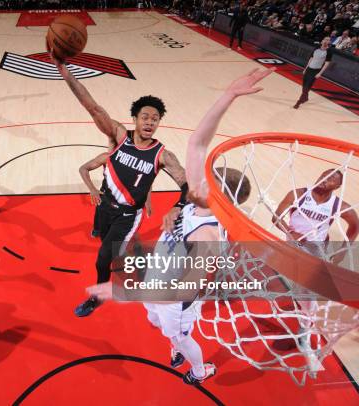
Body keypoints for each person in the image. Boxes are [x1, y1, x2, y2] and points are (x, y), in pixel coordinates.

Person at [88, 68, 272, 385]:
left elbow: (182, 289)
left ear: (219, 200)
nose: (196, 182)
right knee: (160, 325)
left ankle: (199, 370)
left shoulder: (208, 236)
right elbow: (198, 142)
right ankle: (175, 345)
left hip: (175, 297)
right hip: (158, 280)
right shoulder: (197, 201)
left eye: (206, 184)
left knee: (179, 333)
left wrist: (122, 289)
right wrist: (228, 95)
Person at [52, 53, 189, 317]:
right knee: (107, 244)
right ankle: (132, 253)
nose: (150, 122)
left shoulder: (163, 155)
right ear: (135, 119)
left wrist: (177, 207)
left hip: (128, 215)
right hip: (105, 206)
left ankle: (98, 296)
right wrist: (64, 70)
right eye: (145, 117)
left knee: (103, 257)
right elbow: (92, 106)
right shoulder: (118, 136)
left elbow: (187, 184)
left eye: (155, 119)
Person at [273, 169, 359, 244]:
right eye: (323, 176)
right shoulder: (298, 194)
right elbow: (276, 217)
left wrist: (341, 253)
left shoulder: (338, 205)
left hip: (318, 247)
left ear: (336, 187)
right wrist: (290, 232)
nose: (324, 180)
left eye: (330, 179)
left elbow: (355, 226)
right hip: (293, 241)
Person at [294, 37, 333, 109]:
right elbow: (311, 58)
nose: (326, 41)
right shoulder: (316, 48)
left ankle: (299, 102)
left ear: (329, 42)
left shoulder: (329, 51)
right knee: (304, 85)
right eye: (325, 39)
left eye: (328, 40)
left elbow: (326, 63)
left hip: (316, 71)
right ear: (322, 41)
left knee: (307, 87)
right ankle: (305, 98)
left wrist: (320, 73)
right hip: (309, 69)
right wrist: (305, 68)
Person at [79, 152, 111, 238]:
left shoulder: (135, 161)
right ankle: (97, 230)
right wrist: (92, 189)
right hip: (106, 192)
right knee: (100, 212)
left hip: (123, 197)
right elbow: (83, 169)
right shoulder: (107, 157)